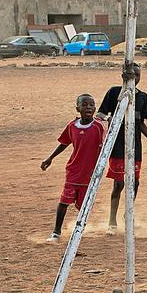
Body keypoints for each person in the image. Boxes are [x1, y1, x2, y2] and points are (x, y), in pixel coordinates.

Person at [96, 63, 147, 232]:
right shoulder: (113, 93)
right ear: (124, 76)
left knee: (135, 183)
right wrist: (109, 121)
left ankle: (128, 213)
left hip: (135, 146)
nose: (135, 79)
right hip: (118, 145)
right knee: (119, 184)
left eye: (138, 75)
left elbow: (140, 123)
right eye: (132, 75)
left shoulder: (143, 97)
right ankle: (112, 221)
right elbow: (100, 115)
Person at [40, 93, 106, 240]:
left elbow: (105, 147)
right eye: (84, 104)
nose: (88, 107)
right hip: (73, 171)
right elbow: (64, 143)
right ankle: (56, 233)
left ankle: (79, 231)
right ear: (78, 108)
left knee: (84, 206)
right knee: (64, 201)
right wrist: (50, 158)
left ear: (95, 108)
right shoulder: (72, 126)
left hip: (90, 174)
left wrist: (100, 169)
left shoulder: (98, 127)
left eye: (91, 105)